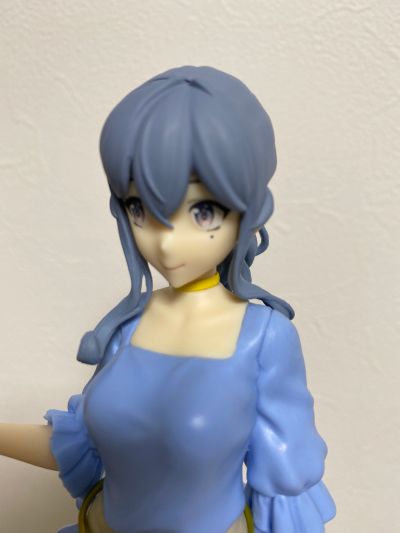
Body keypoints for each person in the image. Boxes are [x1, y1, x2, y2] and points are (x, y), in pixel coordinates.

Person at [0, 66, 336, 533]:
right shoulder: (128, 326)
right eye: (140, 209)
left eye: (203, 211)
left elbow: (285, 489)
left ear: (248, 212)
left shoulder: (264, 338)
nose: (166, 243)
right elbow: (78, 447)